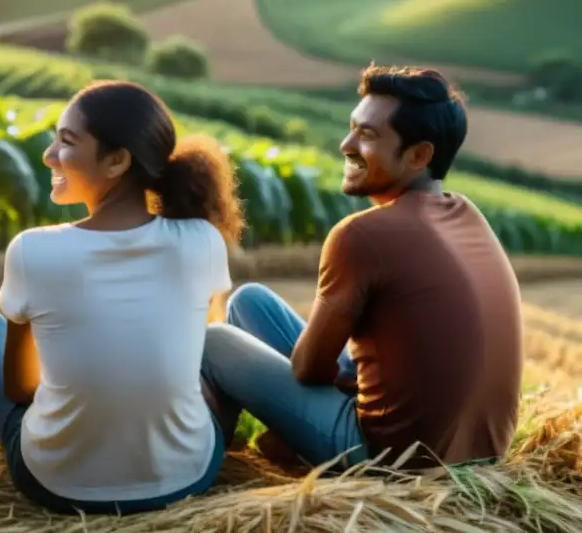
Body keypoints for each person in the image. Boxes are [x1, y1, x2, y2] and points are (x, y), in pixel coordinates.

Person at [201, 64, 524, 471]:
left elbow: (307, 368)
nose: (345, 144)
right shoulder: (466, 213)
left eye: (367, 134)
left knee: (215, 343)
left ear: (419, 155)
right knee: (250, 302)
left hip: (393, 460)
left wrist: (322, 377)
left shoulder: (361, 236)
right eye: (352, 127)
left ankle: (205, 467)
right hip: (476, 452)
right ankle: (283, 442)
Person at [0, 80, 244, 515]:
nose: (48, 155)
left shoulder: (32, 250)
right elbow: (198, 355)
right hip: (187, 477)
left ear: (117, 161)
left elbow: (19, 387)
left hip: (59, 485)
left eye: (66, 142)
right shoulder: (202, 239)